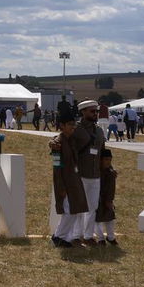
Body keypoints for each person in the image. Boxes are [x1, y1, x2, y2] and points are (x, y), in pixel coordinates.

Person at [49, 111, 87, 248]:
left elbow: (85, 138)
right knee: (70, 212)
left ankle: (60, 237)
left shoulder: (72, 140)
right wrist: (61, 187)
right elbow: (57, 167)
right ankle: (58, 237)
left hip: (74, 181)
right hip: (65, 182)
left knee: (74, 211)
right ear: (62, 126)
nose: (73, 127)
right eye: (70, 124)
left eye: (74, 124)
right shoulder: (57, 144)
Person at [72, 100, 104, 246]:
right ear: (83, 112)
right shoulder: (76, 129)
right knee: (79, 207)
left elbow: (102, 152)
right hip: (81, 174)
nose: (95, 114)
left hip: (95, 174)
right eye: (92, 111)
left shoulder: (99, 130)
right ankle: (76, 235)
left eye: (96, 111)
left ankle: (88, 236)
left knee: (92, 207)